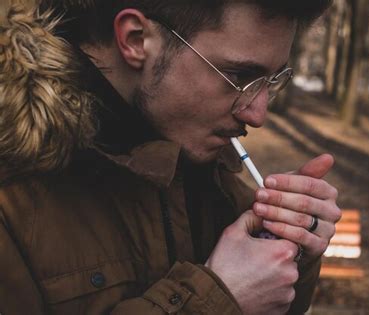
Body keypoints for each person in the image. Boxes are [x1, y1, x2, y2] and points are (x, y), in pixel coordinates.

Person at [0, 1, 341, 314]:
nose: (258, 113)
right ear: (136, 40)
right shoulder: (14, 191)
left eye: (272, 79)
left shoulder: (210, 172)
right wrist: (215, 301)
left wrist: (289, 249)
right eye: (239, 76)